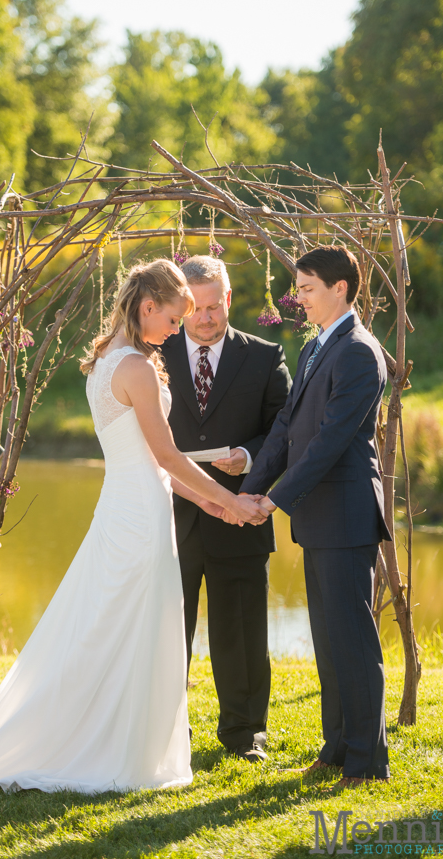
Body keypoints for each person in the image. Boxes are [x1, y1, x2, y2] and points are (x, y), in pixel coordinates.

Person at [0, 259, 266, 795]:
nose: (178, 330)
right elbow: (167, 455)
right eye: (175, 319)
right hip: (137, 517)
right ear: (148, 306)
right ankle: (114, 749)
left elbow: (153, 465)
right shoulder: (134, 366)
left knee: (115, 626)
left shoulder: (109, 359)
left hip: (126, 505)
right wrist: (228, 497)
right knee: (128, 624)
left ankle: (115, 738)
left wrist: (211, 506)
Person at [241, 245, 391, 789]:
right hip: (319, 517)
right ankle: (336, 745)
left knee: (352, 640)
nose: (296, 298)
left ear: (340, 289)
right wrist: (249, 491)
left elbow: (329, 443)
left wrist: (274, 501)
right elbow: (285, 427)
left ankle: (367, 761)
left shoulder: (357, 351)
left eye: (305, 289)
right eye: (297, 289)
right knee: (328, 640)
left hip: (346, 516)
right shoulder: (313, 349)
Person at [161, 255, 292, 763]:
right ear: (182, 304)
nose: (207, 317)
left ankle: (245, 734)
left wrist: (251, 457)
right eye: (196, 307)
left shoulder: (263, 357)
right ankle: (169, 732)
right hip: (170, 515)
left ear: (229, 300)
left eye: (216, 306)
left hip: (240, 514)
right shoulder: (155, 352)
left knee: (241, 632)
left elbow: (282, 429)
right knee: (167, 630)